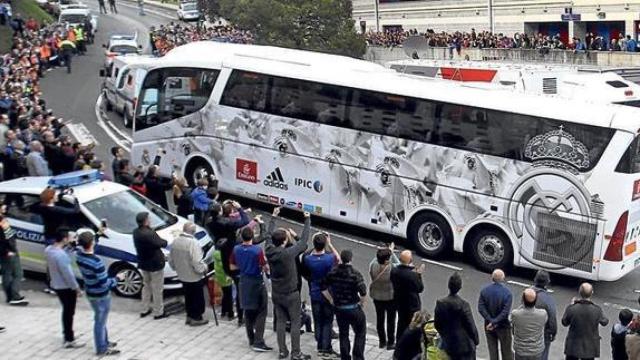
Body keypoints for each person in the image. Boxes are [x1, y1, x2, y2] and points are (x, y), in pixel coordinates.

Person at [265, 207, 311, 360]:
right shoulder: (288, 253)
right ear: (285, 241)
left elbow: (267, 236)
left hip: (277, 292)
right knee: (295, 322)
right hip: (291, 294)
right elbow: (303, 243)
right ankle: (296, 353)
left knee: (280, 322)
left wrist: (273, 217)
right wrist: (307, 220)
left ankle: (282, 351)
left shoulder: (269, 250)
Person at [76, 231, 122, 356]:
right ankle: (101, 348)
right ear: (93, 243)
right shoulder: (97, 262)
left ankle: (104, 341)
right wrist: (117, 279)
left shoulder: (79, 256)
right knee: (100, 321)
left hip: (90, 291)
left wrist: (98, 232)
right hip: (101, 295)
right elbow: (105, 283)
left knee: (100, 318)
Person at [229, 226, 273, 352]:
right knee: (262, 311)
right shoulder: (257, 250)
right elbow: (265, 267)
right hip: (256, 281)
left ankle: (251, 338)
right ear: (252, 237)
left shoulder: (236, 249)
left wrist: (243, 266)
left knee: (248, 311)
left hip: (243, 281)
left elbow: (232, 267)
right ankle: (259, 341)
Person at [209, 200, 251, 325]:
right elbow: (245, 221)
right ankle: (240, 316)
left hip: (223, 255)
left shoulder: (211, 222)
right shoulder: (228, 224)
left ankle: (226, 311)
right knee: (240, 290)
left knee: (227, 288)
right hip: (232, 256)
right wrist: (240, 209)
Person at [322, 250, 367, 360]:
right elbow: (363, 292)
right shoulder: (355, 274)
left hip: (339, 308)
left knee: (343, 334)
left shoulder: (333, 272)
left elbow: (323, 288)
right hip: (353, 307)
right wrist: (361, 304)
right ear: (351, 259)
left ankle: (345, 357)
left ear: (341, 259)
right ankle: (358, 356)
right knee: (360, 333)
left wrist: (331, 300)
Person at [302, 231, 340, 356]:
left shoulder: (307, 258)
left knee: (317, 319)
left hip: (314, 292)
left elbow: (305, 272)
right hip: (328, 293)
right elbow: (339, 259)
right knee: (328, 321)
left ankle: (319, 343)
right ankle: (326, 347)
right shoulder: (329, 258)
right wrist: (330, 244)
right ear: (325, 244)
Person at [45, 229, 84, 348]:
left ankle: (68, 334)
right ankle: (69, 338)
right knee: (69, 312)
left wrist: (69, 247)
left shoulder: (49, 250)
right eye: (70, 237)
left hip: (56, 284)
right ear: (64, 239)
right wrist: (77, 288)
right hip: (66, 287)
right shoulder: (61, 256)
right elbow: (68, 275)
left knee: (66, 311)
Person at [168, 222, 208, 326]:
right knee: (197, 297)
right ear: (193, 232)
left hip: (182, 274)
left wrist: (176, 268)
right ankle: (196, 317)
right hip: (193, 276)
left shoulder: (175, 241)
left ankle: (189, 316)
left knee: (188, 296)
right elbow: (196, 261)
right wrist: (203, 269)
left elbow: (171, 259)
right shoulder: (193, 243)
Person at [434, 272, 479, 360]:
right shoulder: (464, 305)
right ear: (460, 287)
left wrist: (445, 335)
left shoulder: (440, 303)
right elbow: (470, 325)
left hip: (449, 344)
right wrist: (476, 340)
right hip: (464, 345)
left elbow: (437, 324)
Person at [133, 212, 169, 320]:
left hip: (144, 263)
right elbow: (162, 243)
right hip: (155, 263)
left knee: (146, 286)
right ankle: (158, 312)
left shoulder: (136, 232)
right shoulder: (149, 234)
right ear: (145, 221)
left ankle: (144, 309)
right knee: (157, 289)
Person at [561, 282, 609, 360]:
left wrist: (572, 305)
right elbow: (605, 322)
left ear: (580, 292)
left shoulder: (572, 308)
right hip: (590, 347)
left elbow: (564, 322)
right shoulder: (596, 310)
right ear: (592, 293)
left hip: (573, 345)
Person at [478, 269, 513, 360]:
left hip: (488, 326)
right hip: (503, 326)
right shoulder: (507, 293)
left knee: (492, 351)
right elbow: (505, 313)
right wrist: (495, 322)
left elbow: (481, 308)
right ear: (503, 278)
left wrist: (490, 321)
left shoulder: (484, 291)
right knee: (506, 351)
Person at [369, 243, 399, 350]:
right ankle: (391, 342)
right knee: (391, 320)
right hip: (390, 297)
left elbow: (374, 260)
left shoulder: (373, 266)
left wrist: (381, 252)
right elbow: (398, 263)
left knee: (380, 319)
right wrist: (391, 252)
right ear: (388, 259)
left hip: (377, 296)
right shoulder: (392, 268)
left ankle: (382, 341)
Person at [390, 250, 424, 340]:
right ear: (410, 260)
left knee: (401, 323)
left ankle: (399, 342)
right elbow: (420, 288)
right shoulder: (412, 275)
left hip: (399, 302)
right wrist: (419, 275)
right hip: (411, 305)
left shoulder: (394, 271)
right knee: (412, 325)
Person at [0, 203, 27, 305]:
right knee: (18, 273)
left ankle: (10, 296)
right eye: (2, 206)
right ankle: (15, 296)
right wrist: (9, 250)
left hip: (4, 251)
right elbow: (7, 237)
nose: (4, 207)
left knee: (6, 273)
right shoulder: (2, 222)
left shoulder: (2, 219)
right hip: (8, 251)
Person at [511, 289, 547, 360]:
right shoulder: (543, 314)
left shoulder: (516, 314)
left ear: (523, 300)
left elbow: (512, 326)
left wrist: (522, 305)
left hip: (521, 350)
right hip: (536, 350)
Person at [531, 270, 557, 360]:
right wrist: (553, 332)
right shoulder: (547, 299)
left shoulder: (527, 294)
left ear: (535, 279)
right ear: (547, 282)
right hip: (542, 332)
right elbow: (552, 317)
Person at [213, 239, 234, 320]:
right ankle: (230, 314)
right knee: (229, 296)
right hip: (226, 278)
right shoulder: (224, 256)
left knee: (225, 295)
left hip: (220, 278)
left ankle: (223, 312)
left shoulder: (215, 254)